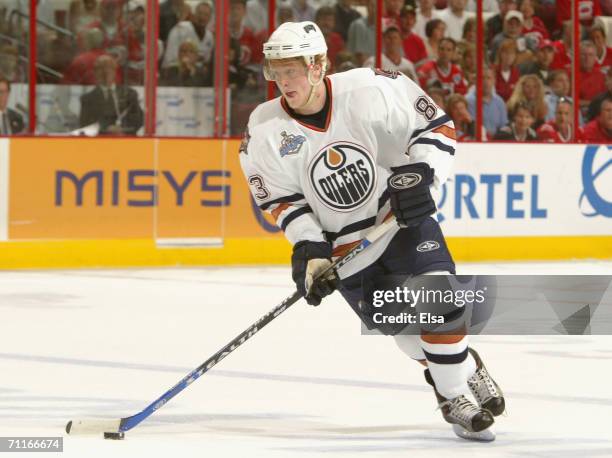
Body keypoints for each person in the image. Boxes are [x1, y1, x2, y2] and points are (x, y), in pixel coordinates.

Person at [239, 20, 505, 442]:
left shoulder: (371, 88)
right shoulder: (264, 128)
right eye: (276, 70)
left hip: (398, 223)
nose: (283, 80)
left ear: (318, 64)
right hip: (349, 251)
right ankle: (466, 367)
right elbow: (283, 202)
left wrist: (421, 176)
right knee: (409, 339)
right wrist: (309, 248)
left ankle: (454, 398)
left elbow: (436, 127)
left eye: (292, 69)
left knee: (441, 304)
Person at [79, 55, 143, 135]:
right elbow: (85, 124)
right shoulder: (87, 99)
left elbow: (138, 119)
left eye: (109, 67)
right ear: (95, 72)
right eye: (101, 68)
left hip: (126, 142)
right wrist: (106, 129)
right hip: (99, 143)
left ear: (115, 70)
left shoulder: (130, 94)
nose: (105, 71)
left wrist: (122, 129)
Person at [163, 1, 214, 70]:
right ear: (194, 14)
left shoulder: (209, 37)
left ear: (210, 18)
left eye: (206, 15)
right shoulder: (180, 29)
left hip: (199, 76)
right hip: (175, 73)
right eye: (200, 13)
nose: (202, 17)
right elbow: (170, 60)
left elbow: (206, 62)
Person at [466, 67, 508, 138]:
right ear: (476, 80)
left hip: (496, 143)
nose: (485, 81)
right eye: (482, 78)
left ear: (494, 80)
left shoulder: (500, 102)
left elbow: (504, 127)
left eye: (488, 78)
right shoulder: (468, 101)